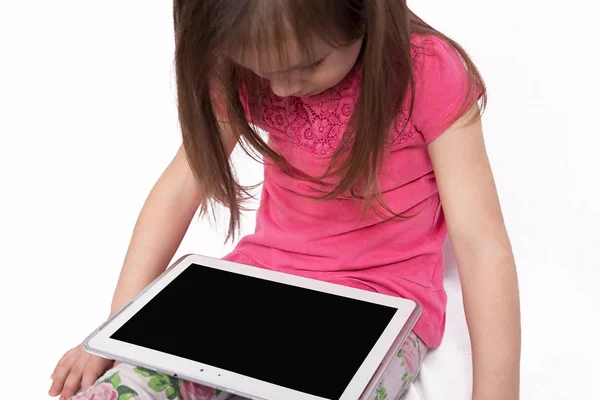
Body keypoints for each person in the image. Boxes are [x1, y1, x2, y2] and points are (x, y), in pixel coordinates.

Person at [49, 0, 521, 399]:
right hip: (257, 285)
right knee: (126, 385)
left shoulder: (428, 72)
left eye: (308, 65)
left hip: (381, 303)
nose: (281, 88)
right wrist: (111, 335)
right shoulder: (248, 62)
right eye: (262, 70)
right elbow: (178, 189)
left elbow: (482, 246)